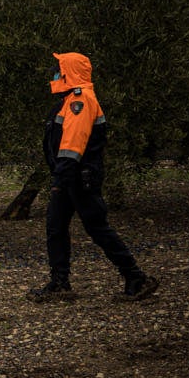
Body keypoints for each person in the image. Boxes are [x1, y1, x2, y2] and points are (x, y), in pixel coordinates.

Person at [28, 52, 159, 302]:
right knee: (55, 227)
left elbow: (72, 146)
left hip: (79, 178)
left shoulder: (81, 101)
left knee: (97, 228)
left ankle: (136, 278)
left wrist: (60, 179)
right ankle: (60, 283)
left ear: (68, 73)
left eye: (58, 70)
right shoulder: (70, 100)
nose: (54, 74)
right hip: (70, 176)